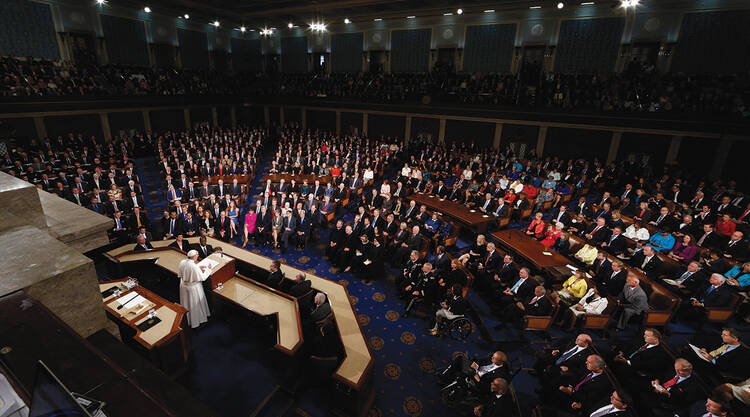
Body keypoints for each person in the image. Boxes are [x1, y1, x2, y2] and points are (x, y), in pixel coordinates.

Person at [178, 250, 212, 328]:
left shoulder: (183, 261)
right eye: (197, 255)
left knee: (187, 304)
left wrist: (198, 267)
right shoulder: (193, 266)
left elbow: (187, 270)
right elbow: (202, 278)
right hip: (193, 288)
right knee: (195, 305)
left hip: (184, 286)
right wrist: (209, 269)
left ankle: (188, 320)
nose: (197, 256)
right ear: (194, 256)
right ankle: (197, 321)